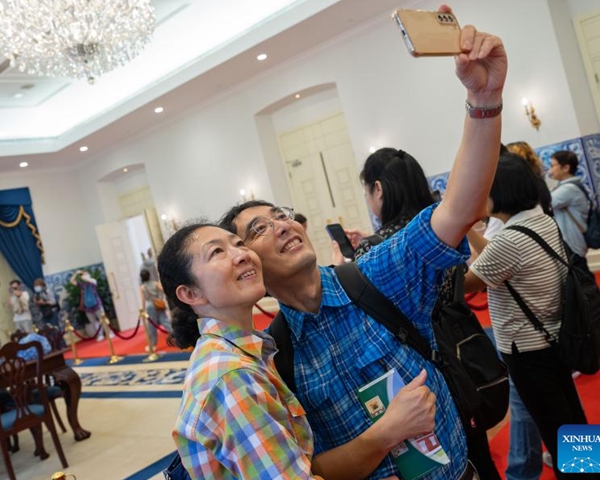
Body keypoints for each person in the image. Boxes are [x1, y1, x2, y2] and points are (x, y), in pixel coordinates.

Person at [219, 14, 506, 480]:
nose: (282, 224)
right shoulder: (277, 356)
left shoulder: (373, 276)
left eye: (281, 214)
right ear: (248, 264)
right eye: (258, 229)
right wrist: (384, 435)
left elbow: (458, 209)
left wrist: (484, 99)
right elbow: (309, 468)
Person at [161, 222, 424, 480]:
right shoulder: (230, 377)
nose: (241, 255)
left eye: (239, 244)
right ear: (190, 294)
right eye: (217, 252)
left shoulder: (246, 352)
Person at [332, 147, 500, 480]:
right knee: (479, 454)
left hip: (418, 374)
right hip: (462, 356)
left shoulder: (375, 249)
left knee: (442, 459)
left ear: (378, 189)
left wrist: (344, 267)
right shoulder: (439, 231)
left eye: (368, 192)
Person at [465, 154, 600, 480]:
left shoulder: (509, 240)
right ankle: (594, 473)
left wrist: (459, 231)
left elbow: (466, 282)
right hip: (552, 338)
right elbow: (495, 256)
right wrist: (471, 230)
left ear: (500, 191)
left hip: (528, 352)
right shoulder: (538, 220)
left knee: (556, 429)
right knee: (570, 419)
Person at [70, 270, 110, 341]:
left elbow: (88, 279)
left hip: (97, 304)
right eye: (83, 275)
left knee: (103, 319)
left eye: (85, 275)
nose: (83, 276)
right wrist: (76, 273)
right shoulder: (83, 285)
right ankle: (100, 335)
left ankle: (109, 333)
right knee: (93, 322)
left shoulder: (93, 282)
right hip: (88, 307)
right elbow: (72, 281)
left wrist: (84, 275)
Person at [139, 269, 172, 352]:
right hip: (158, 304)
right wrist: (160, 298)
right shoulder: (155, 283)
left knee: (152, 326)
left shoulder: (142, 287)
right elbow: (163, 289)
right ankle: (178, 339)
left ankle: (153, 345)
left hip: (150, 306)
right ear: (149, 275)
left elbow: (143, 299)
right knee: (165, 322)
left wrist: (142, 309)